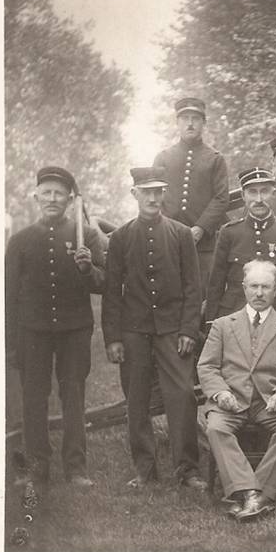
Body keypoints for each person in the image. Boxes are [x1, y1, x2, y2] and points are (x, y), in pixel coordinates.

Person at [101, 166, 207, 491]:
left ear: (164, 194)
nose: (152, 197)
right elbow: (111, 291)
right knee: (136, 400)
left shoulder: (180, 234)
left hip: (173, 331)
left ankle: (187, 470)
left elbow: (193, 288)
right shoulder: (120, 238)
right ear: (135, 194)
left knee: (183, 396)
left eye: (158, 191)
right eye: (146, 191)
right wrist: (114, 338)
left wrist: (189, 330)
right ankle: (145, 470)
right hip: (134, 331)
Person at [5, 167, 106, 487]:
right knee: (34, 397)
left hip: (74, 329)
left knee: (73, 395)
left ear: (69, 199)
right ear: (36, 197)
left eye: (58, 193)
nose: (52, 198)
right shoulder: (21, 240)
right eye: (46, 192)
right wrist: (10, 343)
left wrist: (88, 269)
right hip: (32, 331)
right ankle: (37, 467)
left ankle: (76, 468)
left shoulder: (86, 236)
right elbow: (9, 296)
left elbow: (104, 283)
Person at [197, 260, 276, 521]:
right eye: (254, 286)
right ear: (244, 288)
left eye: (266, 287)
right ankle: (253, 493)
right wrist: (220, 393)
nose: (259, 293)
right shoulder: (223, 324)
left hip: (271, 403)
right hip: (231, 401)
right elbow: (207, 367)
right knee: (216, 428)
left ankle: (255, 494)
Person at [205, 166, 276, 322]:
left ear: (274, 194)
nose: (259, 199)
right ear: (243, 196)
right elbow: (216, 284)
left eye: (264, 191)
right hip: (235, 315)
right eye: (252, 192)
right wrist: (211, 323)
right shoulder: (229, 232)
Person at [153, 97, 230, 292]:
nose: (190, 123)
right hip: (169, 243)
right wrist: (166, 229)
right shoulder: (163, 157)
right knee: (169, 293)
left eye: (195, 118)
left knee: (202, 295)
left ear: (203, 123)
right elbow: (155, 196)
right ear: (177, 123)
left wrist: (201, 228)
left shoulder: (215, 159)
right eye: (185, 118)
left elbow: (221, 198)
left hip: (204, 247)